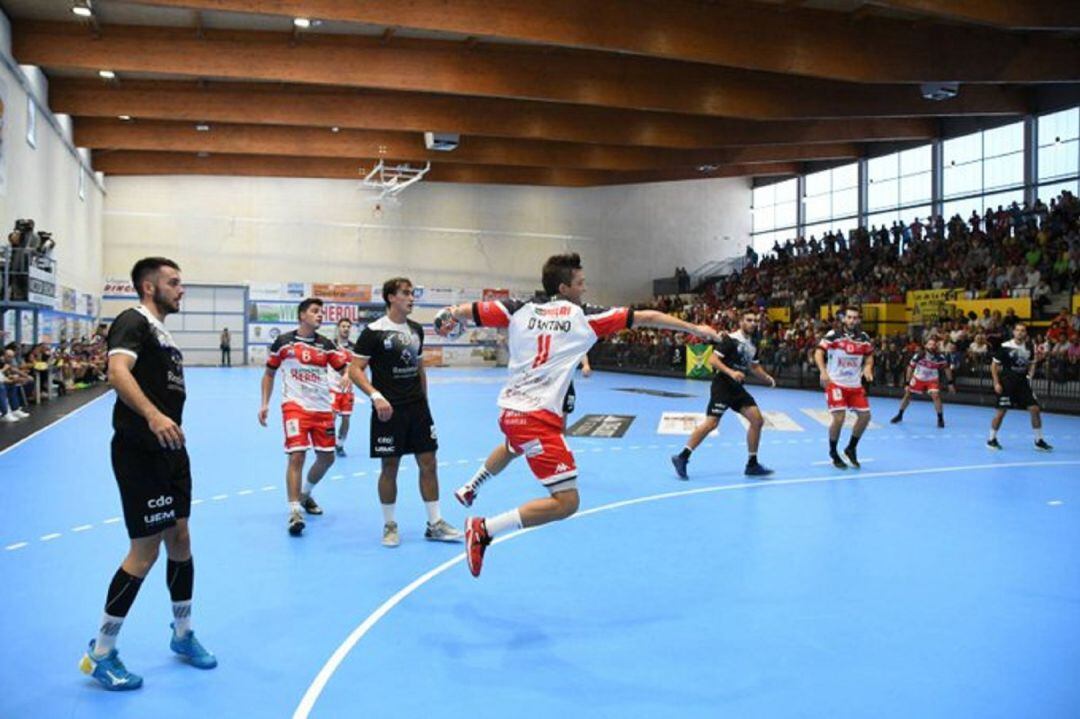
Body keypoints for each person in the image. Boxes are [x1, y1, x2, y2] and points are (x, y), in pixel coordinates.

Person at [437, 252, 719, 578]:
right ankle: (484, 529)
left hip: (511, 412)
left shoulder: (516, 308)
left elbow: (466, 311)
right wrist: (695, 329)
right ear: (564, 287)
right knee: (567, 502)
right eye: (580, 283)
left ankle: (473, 486)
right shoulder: (584, 316)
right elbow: (649, 316)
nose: (584, 289)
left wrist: (449, 314)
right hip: (535, 419)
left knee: (513, 448)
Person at [80, 257, 216, 692]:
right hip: (141, 450)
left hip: (172, 452)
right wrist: (154, 415)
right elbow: (117, 372)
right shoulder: (132, 321)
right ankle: (101, 653)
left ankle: (182, 634)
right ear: (147, 287)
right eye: (173, 282)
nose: (181, 289)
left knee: (180, 538)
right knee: (144, 552)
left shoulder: (163, 333)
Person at [348, 277, 462, 547]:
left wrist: (425, 404)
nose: (411, 298)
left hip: (417, 409)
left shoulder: (415, 330)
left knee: (429, 463)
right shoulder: (373, 332)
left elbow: (420, 370)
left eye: (412, 294)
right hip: (388, 411)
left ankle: (435, 524)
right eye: (406, 294)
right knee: (390, 467)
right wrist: (376, 397)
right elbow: (354, 370)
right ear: (391, 297)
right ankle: (389, 525)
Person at [259, 298, 349, 536]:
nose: (320, 315)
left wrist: (348, 376)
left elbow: (346, 369)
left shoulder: (326, 345)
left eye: (322, 312)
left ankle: (305, 494)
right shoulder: (283, 343)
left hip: (322, 409)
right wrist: (264, 404)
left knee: (327, 458)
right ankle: (294, 511)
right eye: (315, 311)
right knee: (297, 456)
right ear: (302, 315)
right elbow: (269, 373)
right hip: (295, 407)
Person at [671, 310, 776, 480]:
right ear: (741, 322)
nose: (753, 323)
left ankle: (752, 464)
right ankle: (682, 457)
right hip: (723, 386)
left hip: (737, 388)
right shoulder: (731, 340)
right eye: (749, 320)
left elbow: (754, 366)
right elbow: (712, 360)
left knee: (757, 420)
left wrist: (767, 378)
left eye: (755, 320)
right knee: (711, 423)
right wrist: (731, 372)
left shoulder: (753, 343)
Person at [814, 307, 874, 470]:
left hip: (854, 385)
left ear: (858, 320)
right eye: (849, 317)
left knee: (865, 416)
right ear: (844, 319)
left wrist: (868, 367)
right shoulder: (834, 334)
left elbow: (869, 355)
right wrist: (823, 372)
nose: (852, 320)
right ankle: (833, 452)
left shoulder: (864, 338)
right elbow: (818, 353)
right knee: (839, 418)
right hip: (835, 383)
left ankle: (851, 448)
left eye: (855, 318)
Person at [986, 323, 1053, 452]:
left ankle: (1038, 441)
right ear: (1014, 332)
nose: (1020, 332)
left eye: (1023, 330)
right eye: (1018, 330)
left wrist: (1030, 375)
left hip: (1023, 384)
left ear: (1026, 333)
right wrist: (996, 383)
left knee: (1035, 409)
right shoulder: (1005, 346)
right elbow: (994, 366)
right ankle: (991, 439)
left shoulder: (1029, 347)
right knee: (1001, 413)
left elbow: (1032, 363)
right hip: (1007, 384)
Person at [890, 335, 956, 427]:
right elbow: (910, 368)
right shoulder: (919, 355)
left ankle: (940, 419)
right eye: (930, 344)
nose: (932, 346)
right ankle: (900, 415)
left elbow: (947, 369)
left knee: (936, 396)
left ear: (936, 346)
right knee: (907, 395)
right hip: (918, 378)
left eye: (934, 344)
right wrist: (907, 383)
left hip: (932, 379)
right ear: (926, 346)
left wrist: (950, 383)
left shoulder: (940, 357)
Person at [329, 318, 355, 457]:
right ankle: (327, 443)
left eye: (348, 326)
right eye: (343, 326)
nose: (346, 329)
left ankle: (340, 444)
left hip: (348, 390)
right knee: (331, 418)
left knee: (346, 419)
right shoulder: (330, 345)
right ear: (338, 328)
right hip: (332, 387)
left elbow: (358, 367)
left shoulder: (354, 347)